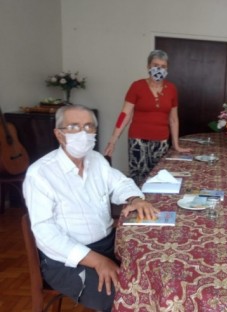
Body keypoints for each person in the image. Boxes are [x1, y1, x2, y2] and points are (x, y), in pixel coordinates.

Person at [23, 105, 159, 311]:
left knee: (155, 271)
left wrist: (134, 199)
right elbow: (45, 234)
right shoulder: (40, 174)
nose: (83, 133)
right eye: (74, 127)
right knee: (123, 297)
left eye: (88, 127)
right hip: (67, 261)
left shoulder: (96, 160)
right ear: (59, 134)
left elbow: (120, 183)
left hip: (108, 244)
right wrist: (96, 261)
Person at [104, 49, 191, 185]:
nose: (159, 69)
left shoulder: (172, 89)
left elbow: (173, 119)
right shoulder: (137, 86)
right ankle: (137, 204)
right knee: (138, 178)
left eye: (163, 66)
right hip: (138, 141)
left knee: (158, 178)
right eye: (156, 65)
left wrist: (176, 144)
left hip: (161, 141)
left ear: (167, 68)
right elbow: (124, 115)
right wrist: (113, 139)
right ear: (148, 66)